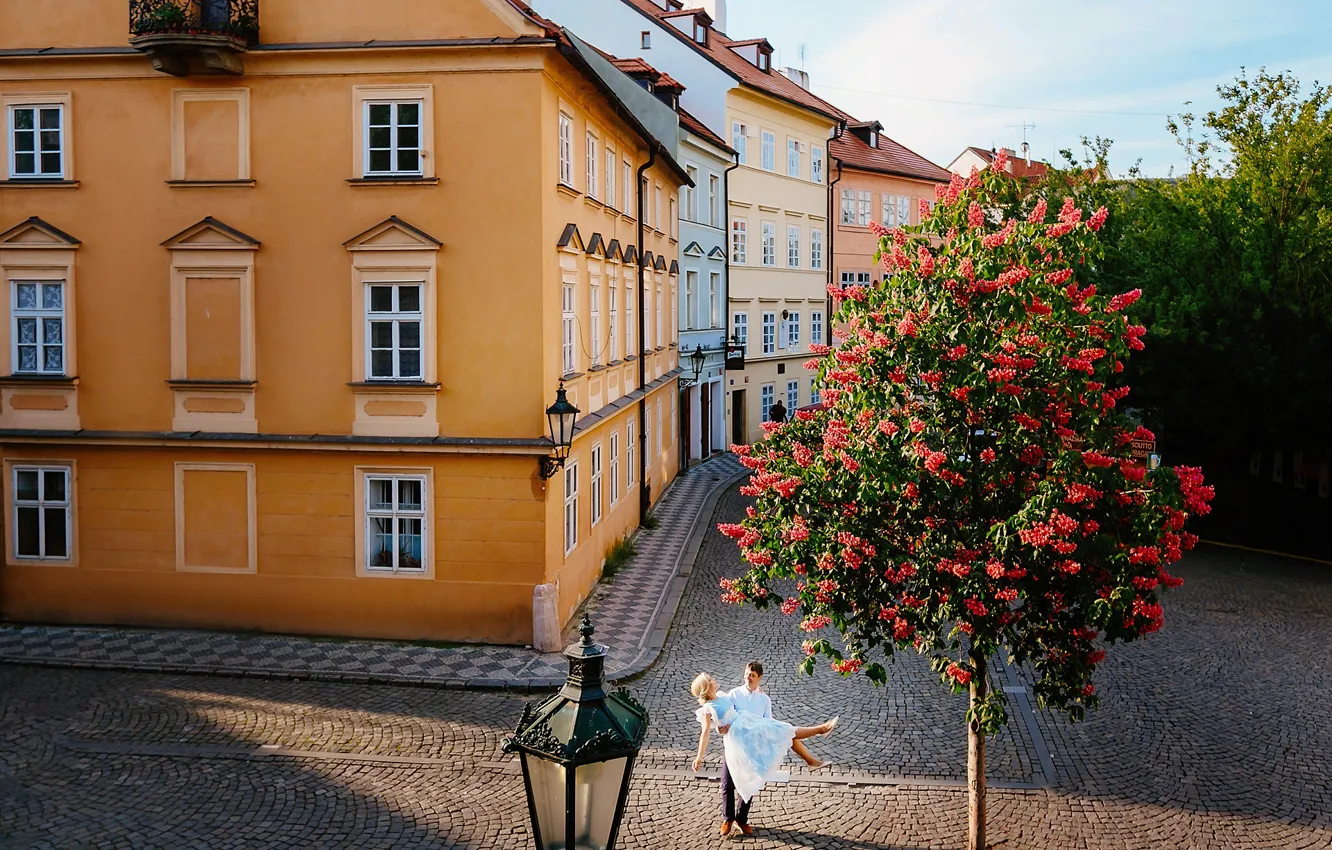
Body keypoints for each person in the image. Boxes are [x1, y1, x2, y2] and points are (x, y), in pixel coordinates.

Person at [689, 672, 836, 838]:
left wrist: (757, 690)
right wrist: (699, 756)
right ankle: (728, 819)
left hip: (748, 726)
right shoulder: (707, 709)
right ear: (706, 688)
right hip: (737, 740)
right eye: (709, 680)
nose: (713, 679)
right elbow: (705, 732)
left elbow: (740, 696)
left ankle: (819, 732)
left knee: (780, 732)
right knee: (728, 783)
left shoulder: (724, 695)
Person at [719, 662, 770, 837]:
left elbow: (768, 723)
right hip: (733, 745)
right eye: (747, 674)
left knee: (748, 785)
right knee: (727, 783)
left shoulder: (764, 700)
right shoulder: (733, 694)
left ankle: (741, 819)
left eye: (752, 675)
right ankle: (728, 818)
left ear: (760, 678)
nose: (748, 677)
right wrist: (720, 727)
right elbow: (722, 715)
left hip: (751, 748)